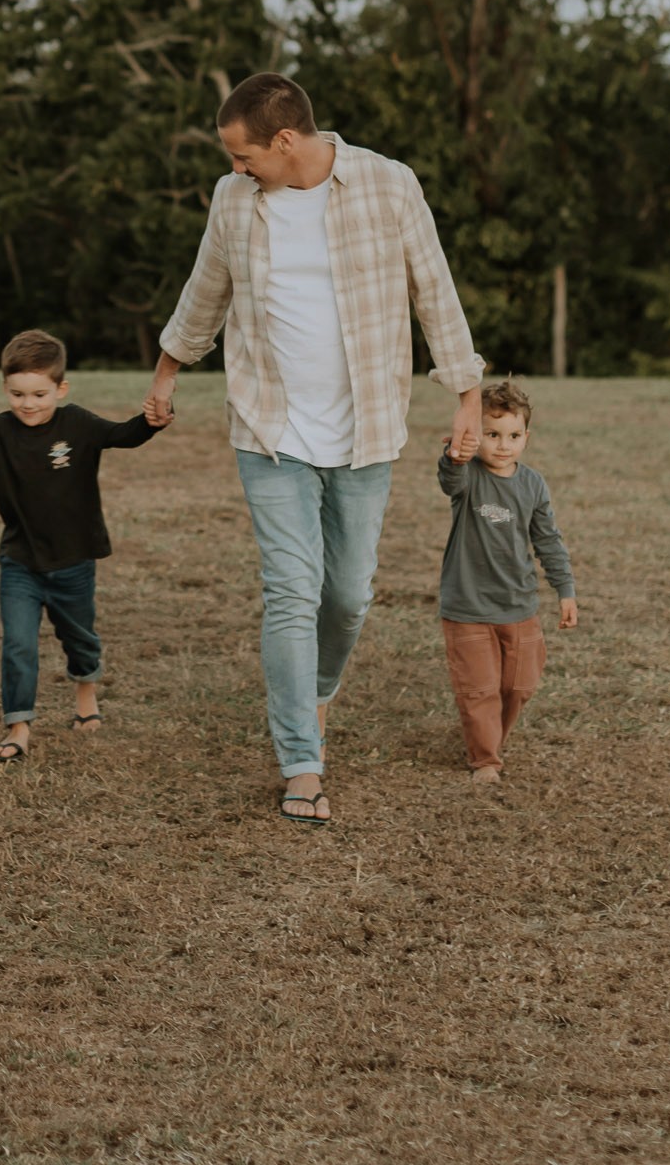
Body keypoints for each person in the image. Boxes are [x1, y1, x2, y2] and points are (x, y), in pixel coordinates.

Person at [145, 72, 485, 826]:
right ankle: (301, 760)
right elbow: (206, 290)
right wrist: (168, 372)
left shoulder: (387, 185)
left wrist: (466, 392)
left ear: (285, 141)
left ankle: (318, 692)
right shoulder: (233, 200)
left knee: (348, 594)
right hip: (269, 426)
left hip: (364, 426)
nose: (235, 168)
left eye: (243, 155)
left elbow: (434, 288)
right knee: (292, 592)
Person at [0, 329, 165, 762]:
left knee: (79, 637)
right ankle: (18, 727)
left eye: (40, 394)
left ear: (60, 389)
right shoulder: (0, 430)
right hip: (20, 562)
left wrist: (153, 420)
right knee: (18, 644)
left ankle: (86, 691)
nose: (28, 404)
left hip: (73, 561)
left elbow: (126, 434)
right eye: (18, 394)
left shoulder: (78, 424)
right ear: (5, 388)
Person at [437, 378, 577, 783]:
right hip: (467, 607)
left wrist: (565, 590)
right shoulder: (468, 478)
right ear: (475, 434)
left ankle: (491, 735)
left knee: (519, 686)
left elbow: (548, 540)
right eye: (492, 434)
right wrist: (454, 455)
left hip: (519, 605)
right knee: (479, 688)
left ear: (526, 438)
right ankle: (485, 760)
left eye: (513, 435)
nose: (502, 444)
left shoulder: (533, 485)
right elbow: (449, 480)